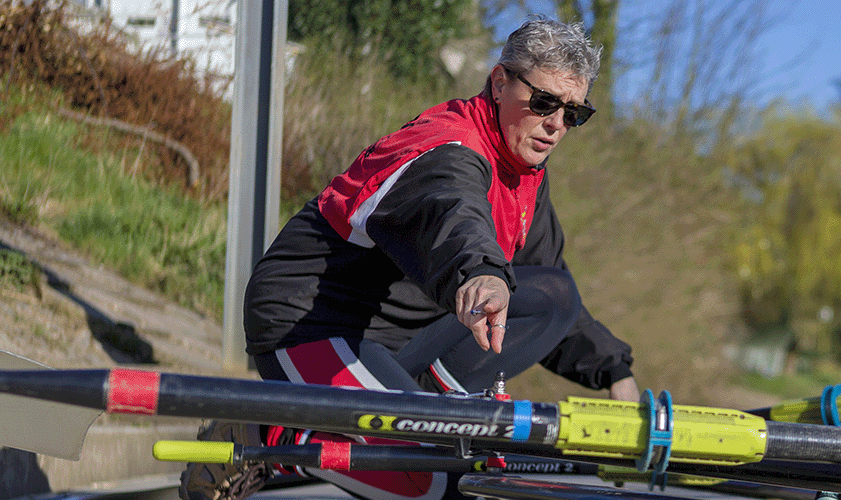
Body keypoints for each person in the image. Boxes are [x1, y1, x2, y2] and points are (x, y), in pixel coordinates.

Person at [182, 17, 639, 500]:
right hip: (313, 325)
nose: (555, 125)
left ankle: (399, 425)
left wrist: (615, 372)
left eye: (573, 114)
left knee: (552, 294)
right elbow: (452, 212)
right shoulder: (447, 147)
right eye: (544, 103)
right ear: (499, 82)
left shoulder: (526, 172)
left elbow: (549, 287)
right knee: (441, 482)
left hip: (397, 337)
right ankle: (261, 436)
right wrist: (482, 273)